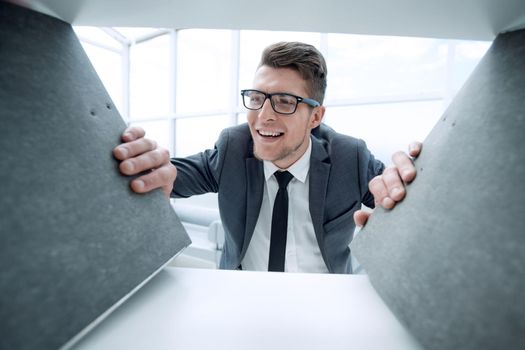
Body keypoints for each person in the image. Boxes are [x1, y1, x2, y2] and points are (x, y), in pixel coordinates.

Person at [113, 41, 421, 274]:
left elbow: (396, 198)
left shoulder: (350, 157)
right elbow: (171, 175)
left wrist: (414, 184)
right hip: (243, 294)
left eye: (285, 101)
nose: (264, 116)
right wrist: (152, 171)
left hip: (325, 298)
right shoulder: (233, 147)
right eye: (257, 98)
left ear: (315, 117)